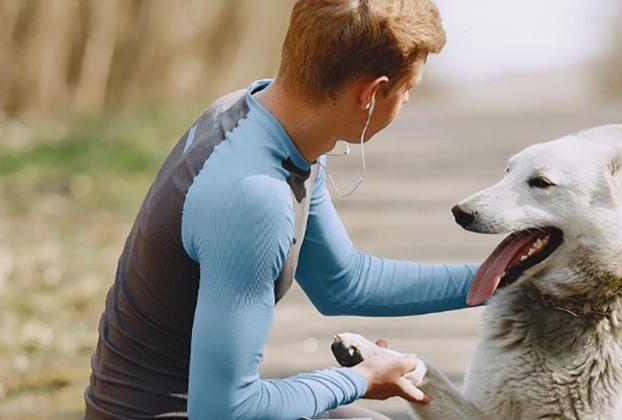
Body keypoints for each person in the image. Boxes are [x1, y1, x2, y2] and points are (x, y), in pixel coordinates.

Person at [81, 0, 476, 418]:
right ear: (371, 93)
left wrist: (503, 279)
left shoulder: (258, 117)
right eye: (407, 89)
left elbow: (343, 280)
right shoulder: (255, 197)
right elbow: (225, 409)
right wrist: (359, 379)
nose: (408, 99)